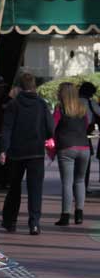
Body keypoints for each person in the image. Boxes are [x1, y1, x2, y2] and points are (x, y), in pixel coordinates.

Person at [0, 72, 54, 235]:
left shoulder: (13, 105)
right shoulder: (42, 104)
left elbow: (7, 128)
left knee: (14, 188)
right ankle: (34, 223)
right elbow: (50, 127)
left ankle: (10, 222)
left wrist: (4, 149)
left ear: (20, 88)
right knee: (35, 189)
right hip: (36, 152)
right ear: (34, 86)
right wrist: (46, 137)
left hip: (17, 152)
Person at [51, 82, 93, 226]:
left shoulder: (60, 108)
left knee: (67, 183)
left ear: (62, 94)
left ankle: (65, 215)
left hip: (66, 147)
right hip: (84, 147)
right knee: (80, 181)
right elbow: (87, 124)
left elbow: (52, 126)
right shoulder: (82, 108)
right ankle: (79, 214)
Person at [79, 81, 100, 191]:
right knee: (85, 164)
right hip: (85, 136)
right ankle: (83, 186)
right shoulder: (91, 103)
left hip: (70, 136)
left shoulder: (72, 102)